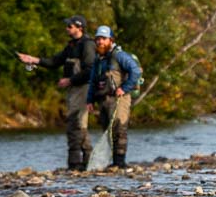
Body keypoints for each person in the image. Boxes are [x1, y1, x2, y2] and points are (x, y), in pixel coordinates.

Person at [17, 15, 96, 171]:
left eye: (70, 26)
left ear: (79, 28)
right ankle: (87, 161)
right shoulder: (71, 46)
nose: (67, 29)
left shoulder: (87, 45)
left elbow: (90, 70)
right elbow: (54, 62)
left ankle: (76, 163)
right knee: (79, 124)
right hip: (74, 90)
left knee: (75, 123)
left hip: (83, 88)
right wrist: (33, 60)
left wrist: (70, 80)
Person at [86, 25, 141, 169]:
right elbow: (92, 81)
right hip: (103, 99)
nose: (100, 42)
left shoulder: (120, 56)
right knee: (107, 129)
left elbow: (135, 71)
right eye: (98, 39)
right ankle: (114, 161)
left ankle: (120, 162)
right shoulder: (98, 59)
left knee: (119, 128)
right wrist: (89, 100)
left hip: (119, 98)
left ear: (111, 40)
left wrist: (124, 88)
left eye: (103, 39)